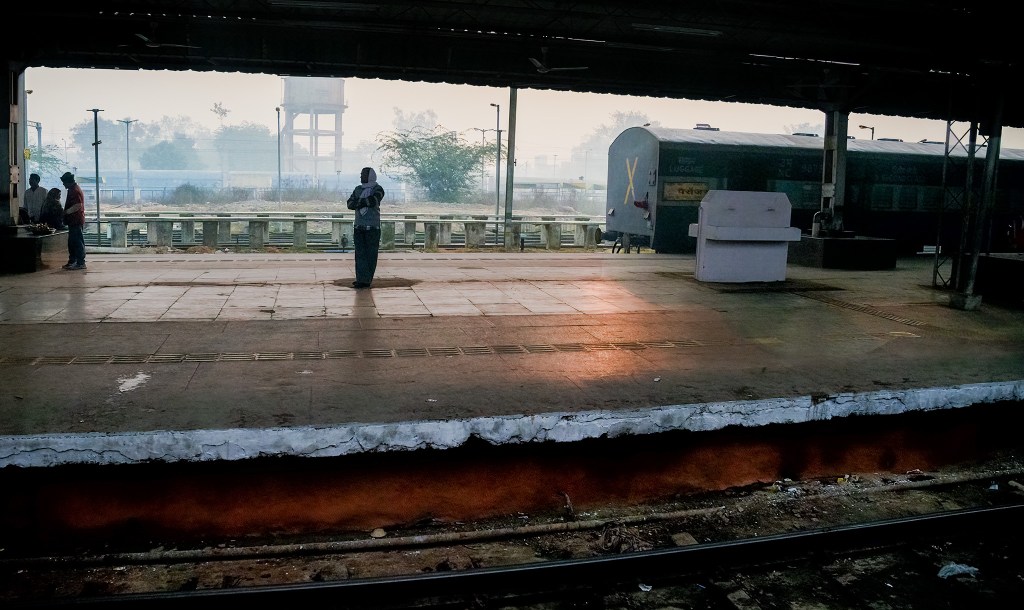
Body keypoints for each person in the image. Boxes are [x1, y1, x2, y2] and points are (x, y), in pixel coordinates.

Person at [346, 166, 385, 288]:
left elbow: (373, 201)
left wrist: (359, 202)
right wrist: (363, 201)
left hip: (372, 228)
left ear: (370, 176)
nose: (361, 176)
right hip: (359, 227)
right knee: (360, 254)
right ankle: (361, 279)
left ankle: (366, 280)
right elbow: (349, 204)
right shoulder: (358, 189)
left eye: (363, 174)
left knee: (371, 255)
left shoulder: (378, 189)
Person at [60, 172, 87, 270]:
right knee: (73, 242)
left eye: (64, 182)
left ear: (68, 181)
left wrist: (66, 212)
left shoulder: (74, 191)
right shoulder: (74, 189)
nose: (63, 184)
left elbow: (78, 205)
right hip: (74, 220)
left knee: (77, 242)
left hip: (75, 219)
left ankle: (80, 262)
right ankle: (73, 261)